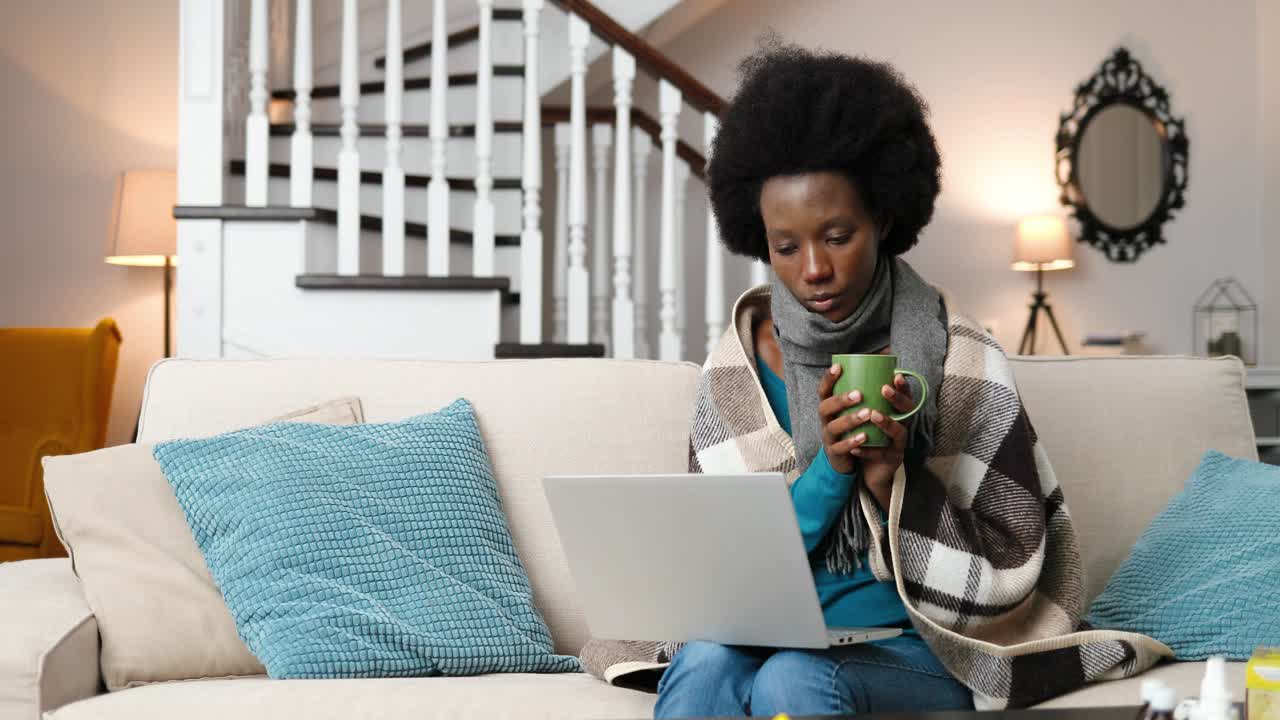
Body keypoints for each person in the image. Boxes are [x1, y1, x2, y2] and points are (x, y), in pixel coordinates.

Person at [578, 38, 1168, 713]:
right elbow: (721, 571)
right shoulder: (735, 367)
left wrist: (894, 483)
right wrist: (831, 471)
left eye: (837, 236)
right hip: (770, 633)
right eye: (786, 246)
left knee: (793, 680)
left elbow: (1011, 558)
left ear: (883, 218)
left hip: (921, 643)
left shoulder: (961, 358)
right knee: (706, 663)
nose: (813, 270)